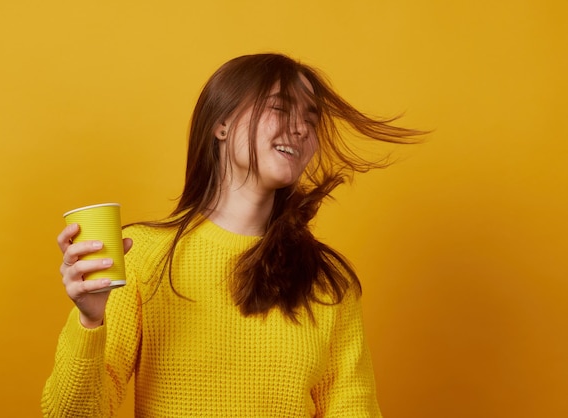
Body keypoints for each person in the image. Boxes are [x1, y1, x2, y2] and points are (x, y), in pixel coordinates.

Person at [41, 53, 422, 417]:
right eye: (280, 107)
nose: (302, 128)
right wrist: (91, 321)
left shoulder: (327, 282)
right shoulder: (142, 256)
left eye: (311, 117)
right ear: (221, 124)